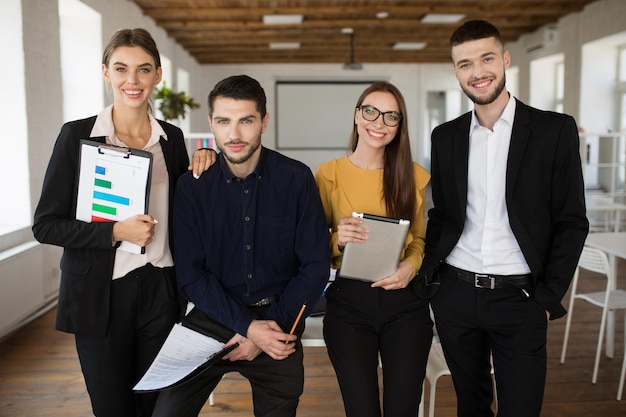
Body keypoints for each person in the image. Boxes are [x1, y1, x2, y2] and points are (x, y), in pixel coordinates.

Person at [32, 28, 215, 417]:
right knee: (112, 406)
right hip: (101, 294)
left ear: (158, 75)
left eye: (143, 70)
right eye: (121, 68)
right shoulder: (78, 135)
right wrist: (115, 231)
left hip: (162, 289)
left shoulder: (173, 138)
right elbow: (46, 225)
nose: (132, 80)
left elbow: (186, 209)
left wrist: (206, 165)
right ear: (106, 73)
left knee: (156, 404)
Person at [412, 20, 589, 417]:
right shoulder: (445, 136)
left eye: (487, 58)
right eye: (465, 64)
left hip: (521, 299)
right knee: (471, 407)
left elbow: (572, 221)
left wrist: (545, 298)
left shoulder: (553, 131)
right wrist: (433, 279)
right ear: (455, 71)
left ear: (505, 59)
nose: (478, 72)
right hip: (455, 294)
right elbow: (441, 215)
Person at [151, 74, 330, 417]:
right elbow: (190, 276)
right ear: (211, 123)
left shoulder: (297, 179)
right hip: (213, 314)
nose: (233, 135)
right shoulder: (192, 187)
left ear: (264, 121)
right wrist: (248, 328)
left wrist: (265, 331)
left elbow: (315, 266)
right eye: (224, 121)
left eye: (246, 121)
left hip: (280, 317)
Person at [315, 81, 433, 417]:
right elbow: (309, 246)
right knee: (361, 409)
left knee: (403, 409)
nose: (379, 123)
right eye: (370, 111)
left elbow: (421, 241)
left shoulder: (415, 176)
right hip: (349, 304)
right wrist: (336, 238)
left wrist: (411, 266)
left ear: (400, 126)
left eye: (391, 116)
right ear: (356, 115)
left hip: (405, 302)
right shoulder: (328, 175)